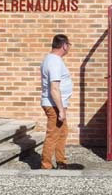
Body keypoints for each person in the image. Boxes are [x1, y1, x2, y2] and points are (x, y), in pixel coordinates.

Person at [40, 34, 73, 169]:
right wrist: (60, 110)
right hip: (54, 105)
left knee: (62, 132)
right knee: (53, 134)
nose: (69, 48)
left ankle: (61, 161)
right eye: (69, 45)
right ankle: (46, 165)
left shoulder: (51, 59)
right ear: (64, 45)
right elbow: (54, 88)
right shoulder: (54, 61)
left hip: (57, 104)